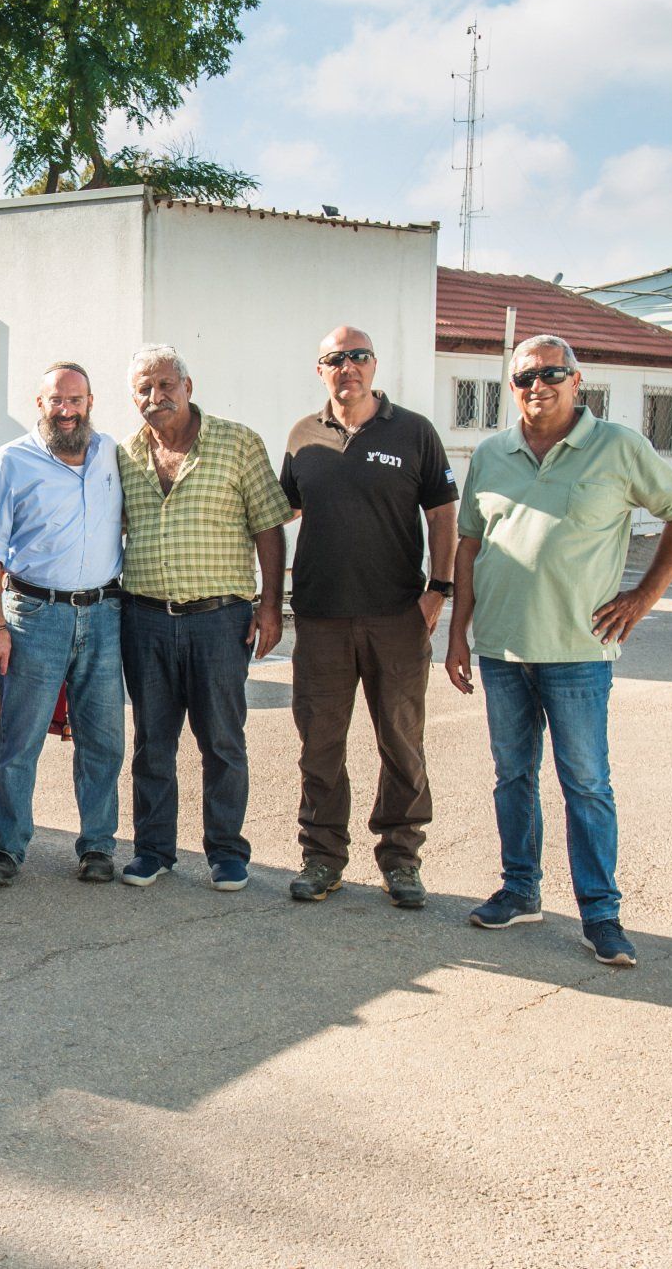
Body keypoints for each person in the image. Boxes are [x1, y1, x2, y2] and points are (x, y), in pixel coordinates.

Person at [445, 334, 672, 967]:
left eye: (552, 373)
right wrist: (457, 632)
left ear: (576, 379)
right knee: (513, 777)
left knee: (586, 783)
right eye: (526, 377)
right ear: (512, 387)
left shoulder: (619, 446)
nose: (540, 385)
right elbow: (471, 546)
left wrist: (643, 597)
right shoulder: (492, 453)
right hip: (502, 649)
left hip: (578, 651)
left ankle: (601, 914)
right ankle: (520, 890)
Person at [280, 326, 458, 909]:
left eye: (358, 357)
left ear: (375, 365)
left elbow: (442, 514)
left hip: (396, 617)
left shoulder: (413, 432)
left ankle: (401, 860)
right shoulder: (303, 437)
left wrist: (440, 589)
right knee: (320, 744)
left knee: (401, 742)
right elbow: (284, 512)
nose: (347, 367)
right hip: (322, 618)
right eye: (335, 358)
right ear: (320, 370)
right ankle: (322, 857)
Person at [115, 344, 288, 892]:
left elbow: (269, 527)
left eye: (165, 385)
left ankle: (227, 852)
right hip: (144, 619)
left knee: (222, 740)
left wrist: (270, 605)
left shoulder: (238, 443)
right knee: (152, 742)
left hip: (219, 620)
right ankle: (153, 850)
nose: (155, 396)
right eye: (144, 388)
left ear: (189, 387)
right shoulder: (123, 455)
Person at [0, 361, 126, 886]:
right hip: (35, 616)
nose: (66, 411)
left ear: (89, 402)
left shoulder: (110, 454)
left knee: (102, 741)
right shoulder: (10, 463)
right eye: (56, 401)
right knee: (20, 741)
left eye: (75, 400)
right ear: (40, 404)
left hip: (104, 614)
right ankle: (6, 849)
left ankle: (99, 847)